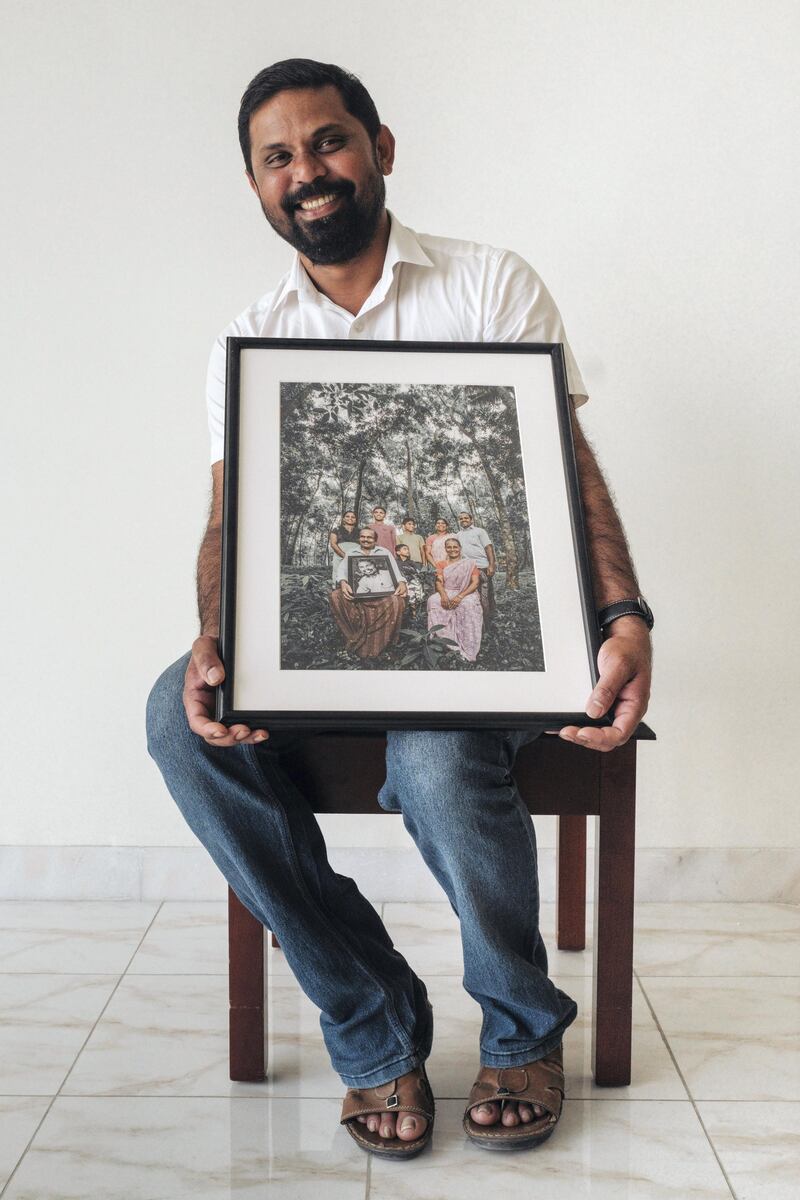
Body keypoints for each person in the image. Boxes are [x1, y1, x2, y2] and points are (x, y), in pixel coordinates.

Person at [146, 58, 652, 1159]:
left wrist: (623, 614)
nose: (306, 172)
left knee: (432, 754)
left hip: (488, 639)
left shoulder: (488, 284)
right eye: (277, 157)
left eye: (326, 141)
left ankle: (522, 1027)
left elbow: (568, 471)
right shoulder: (247, 333)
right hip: (326, 639)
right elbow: (230, 524)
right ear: (254, 185)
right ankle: (375, 1029)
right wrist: (215, 638)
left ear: (380, 146)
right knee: (167, 720)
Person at [329, 527, 407, 657]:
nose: (365, 539)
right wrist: (343, 582)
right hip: (360, 597)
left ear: (375, 540)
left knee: (396, 600)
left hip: (382, 597)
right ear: (359, 538)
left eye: (369, 537)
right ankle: (355, 635)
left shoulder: (384, 552)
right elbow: (341, 572)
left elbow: (396, 572)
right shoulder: (351, 553)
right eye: (363, 537)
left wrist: (402, 582)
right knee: (335, 596)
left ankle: (382, 643)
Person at [427, 538, 483, 661]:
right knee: (433, 600)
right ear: (446, 549)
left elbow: (475, 583)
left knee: (467, 604)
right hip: (447, 590)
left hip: (466, 592)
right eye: (449, 547)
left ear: (460, 548)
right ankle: (445, 639)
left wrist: (460, 596)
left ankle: (468, 646)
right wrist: (443, 595)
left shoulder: (469, 563)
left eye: (455, 547)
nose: (452, 550)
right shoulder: (441, 564)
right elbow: (439, 582)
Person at [455, 510, 497, 625]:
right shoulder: (458, 535)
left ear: (471, 520)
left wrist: (491, 564)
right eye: (461, 518)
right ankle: (475, 621)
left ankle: (489, 622)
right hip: (467, 568)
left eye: (466, 518)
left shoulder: (480, 531)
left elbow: (488, 547)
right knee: (472, 595)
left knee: (486, 595)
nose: (463, 520)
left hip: (482, 565)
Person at [394, 542, 426, 619]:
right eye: (405, 549)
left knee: (416, 589)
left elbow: (417, 572)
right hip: (402, 584)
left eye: (408, 549)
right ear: (398, 552)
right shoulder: (395, 563)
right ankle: (409, 615)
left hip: (413, 582)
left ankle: (416, 615)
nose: (408, 551)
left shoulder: (411, 562)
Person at [328, 510, 360, 583]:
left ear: (356, 520)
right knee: (338, 574)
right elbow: (333, 543)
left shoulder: (359, 531)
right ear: (343, 519)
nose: (350, 518)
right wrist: (344, 555)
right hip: (339, 557)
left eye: (353, 517)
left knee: (355, 575)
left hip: (355, 558)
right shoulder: (336, 529)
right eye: (347, 516)